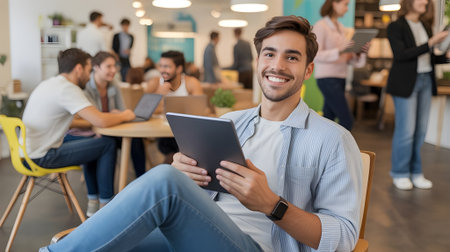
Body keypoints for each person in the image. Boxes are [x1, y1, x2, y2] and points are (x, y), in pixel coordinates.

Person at [40, 16, 362, 252]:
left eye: (291, 57)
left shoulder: (332, 139)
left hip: (259, 247)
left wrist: (272, 205)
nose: (277, 65)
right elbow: (205, 196)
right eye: (269, 53)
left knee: (162, 181)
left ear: (308, 70)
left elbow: (345, 237)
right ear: (259, 59)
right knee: (159, 190)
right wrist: (188, 178)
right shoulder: (232, 121)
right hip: (196, 234)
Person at [22, 48, 135, 217]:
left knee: (92, 142)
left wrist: (98, 121)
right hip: (43, 156)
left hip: (26, 153)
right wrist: (126, 114)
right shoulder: (68, 89)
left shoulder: (48, 84)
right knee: (107, 144)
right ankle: (106, 206)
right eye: (89, 70)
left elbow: (80, 121)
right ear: (79, 69)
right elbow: (100, 121)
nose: (89, 75)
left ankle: (94, 201)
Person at [386, 0, 449, 190]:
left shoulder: (425, 25)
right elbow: (402, 55)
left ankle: (415, 172)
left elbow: (427, 56)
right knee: (406, 132)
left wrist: (444, 57)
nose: (426, 2)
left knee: (420, 131)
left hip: (425, 81)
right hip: (406, 84)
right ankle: (400, 172)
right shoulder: (395, 26)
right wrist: (430, 43)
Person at [78, 52, 147, 180]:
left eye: (115, 66)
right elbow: (95, 117)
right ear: (96, 67)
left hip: (113, 127)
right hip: (97, 130)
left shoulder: (113, 82)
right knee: (108, 143)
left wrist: (118, 115)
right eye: (108, 66)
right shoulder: (86, 86)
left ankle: (141, 179)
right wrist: (115, 115)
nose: (114, 70)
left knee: (136, 139)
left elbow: (122, 110)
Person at [312, 0, 369, 131]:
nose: (347, 8)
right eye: (345, 4)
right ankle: (340, 150)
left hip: (340, 78)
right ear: (334, 3)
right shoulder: (321, 26)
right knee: (347, 120)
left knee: (328, 118)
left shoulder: (341, 28)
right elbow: (315, 55)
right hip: (327, 79)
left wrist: (361, 52)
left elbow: (348, 59)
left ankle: (324, 150)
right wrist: (339, 50)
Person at [144, 50, 203, 164]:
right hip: (164, 134)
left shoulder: (191, 83)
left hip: (187, 132)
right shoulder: (154, 83)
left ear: (179, 69)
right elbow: (144, 111)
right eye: (160, 66)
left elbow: (200, 110)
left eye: (167, 66)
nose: (162, 70)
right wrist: (159, 94)